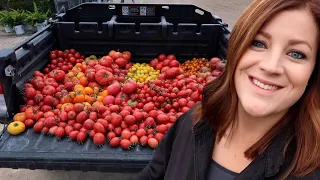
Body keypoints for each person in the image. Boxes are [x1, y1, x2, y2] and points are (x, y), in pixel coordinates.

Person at [131, 0, 320, 179]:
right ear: (237, 46)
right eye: (258, 43)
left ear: (314, 71)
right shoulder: (194, 121)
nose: (271, 66)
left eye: (297, 54)